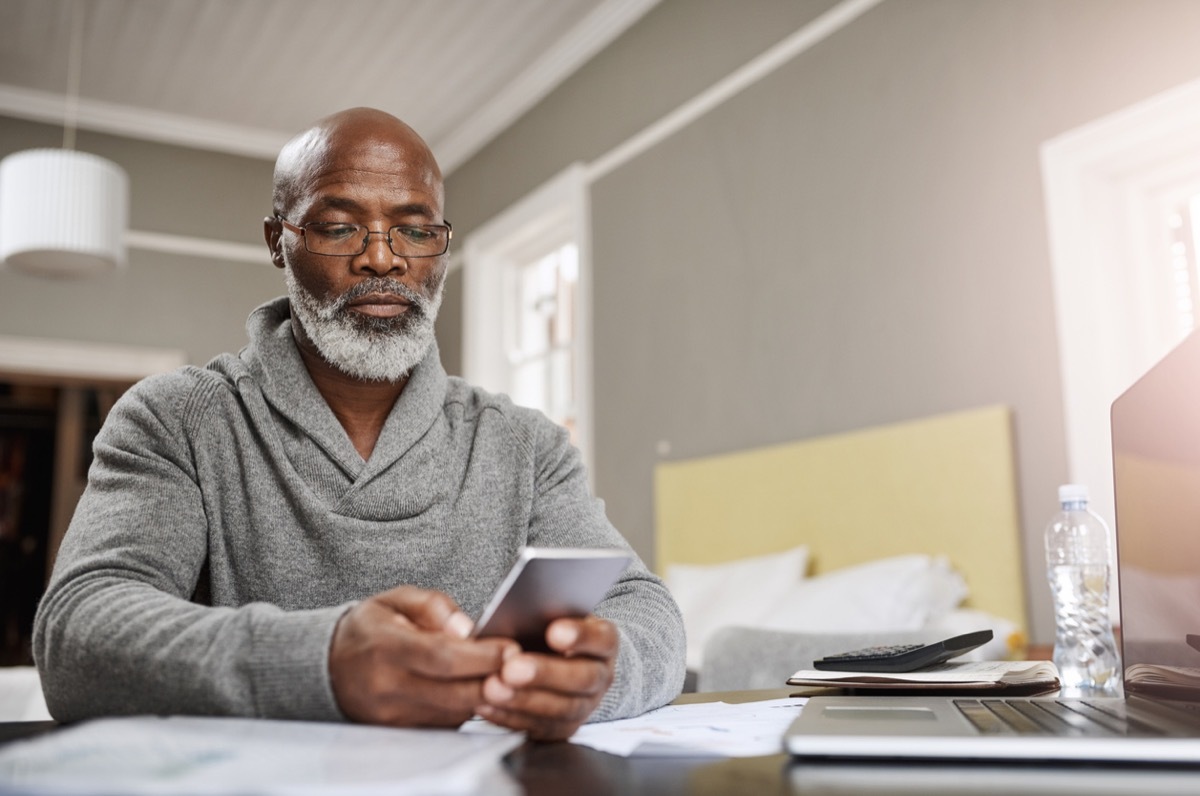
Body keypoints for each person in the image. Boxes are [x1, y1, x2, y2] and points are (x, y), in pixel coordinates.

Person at [32, 107, 687, 741]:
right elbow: (78, 631)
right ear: (277, 243)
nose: (383, 258)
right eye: (339, 226)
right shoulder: (176, 419)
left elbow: (647, 612)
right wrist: (320, 662)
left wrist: (601, 674)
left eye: (415, 228)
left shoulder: (526, 445)